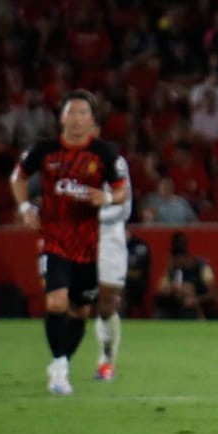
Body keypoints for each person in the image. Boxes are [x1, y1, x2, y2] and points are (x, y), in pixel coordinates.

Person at [9, 91, 130, 394]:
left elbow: (122, 191)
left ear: (92, 120)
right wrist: (25, 208)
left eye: (83, 113)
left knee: (81, 311)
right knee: (56, 301)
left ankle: (66, 362)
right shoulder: (45, 150)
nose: (76, 119)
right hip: (54, 241)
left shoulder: (105, 154)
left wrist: (107, 197)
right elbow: (18, 177)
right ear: (61, 117)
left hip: (90, 246)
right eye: (71, 112)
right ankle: (60, 366)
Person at [92, 135, 134, 380]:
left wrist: (93, 216)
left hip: (109, 239)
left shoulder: (116, 164)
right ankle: (60, 363)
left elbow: (125, 208)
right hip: (76, 239)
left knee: (106, 304)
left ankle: (106, 359)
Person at [155, 232, 216, 320]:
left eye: (175, 260)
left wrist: (196, 299)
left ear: (183, 258)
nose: (173, 262)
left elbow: (214, 295)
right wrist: (173, 288)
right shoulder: (173, 269)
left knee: (190, 306)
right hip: (178, 305)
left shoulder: (202, 268)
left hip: (199, 304)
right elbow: (160, 289)